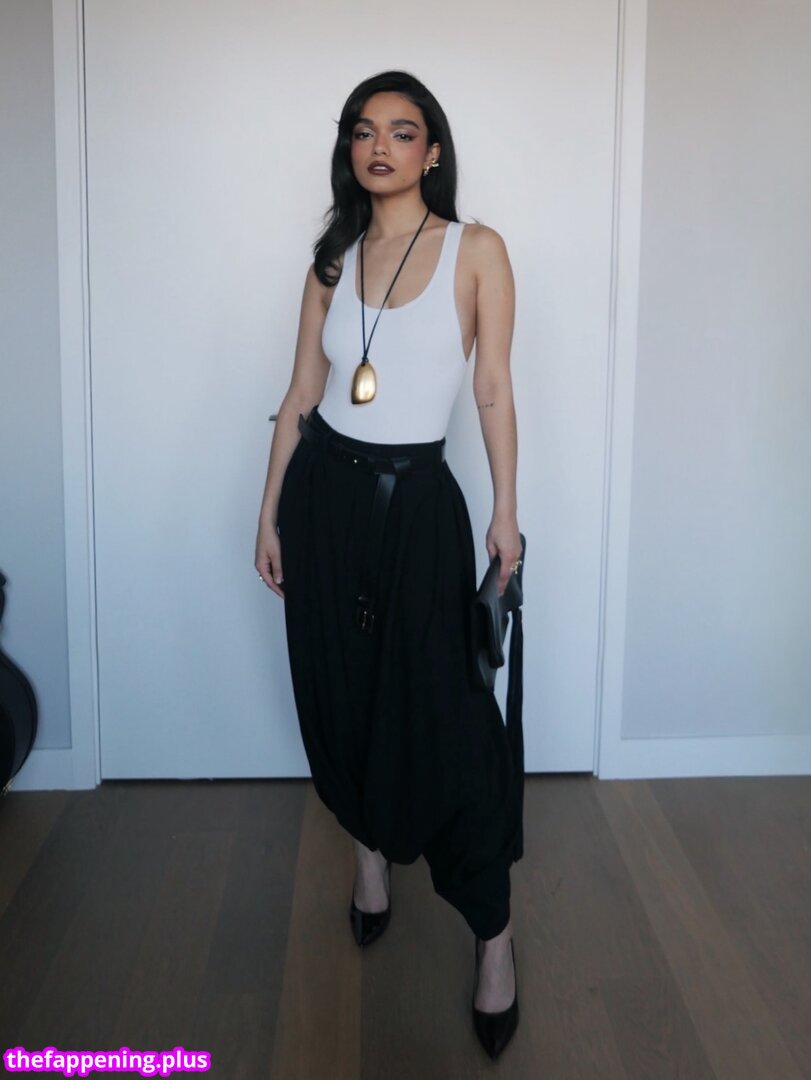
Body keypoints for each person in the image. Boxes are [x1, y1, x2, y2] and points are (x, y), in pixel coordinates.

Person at [255, 70, 524, 1059]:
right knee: (342, 692)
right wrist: (268, 514)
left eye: (402, 132)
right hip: (323, 498)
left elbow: (490, 387)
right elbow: (300, 393)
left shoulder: (475, 249)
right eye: (364, 131)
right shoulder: (332, 258)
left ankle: (492, 935)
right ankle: (369, 858)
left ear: (431, 151)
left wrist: (505, 513)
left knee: (447, 722)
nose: (380, 147)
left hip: (418, 510)